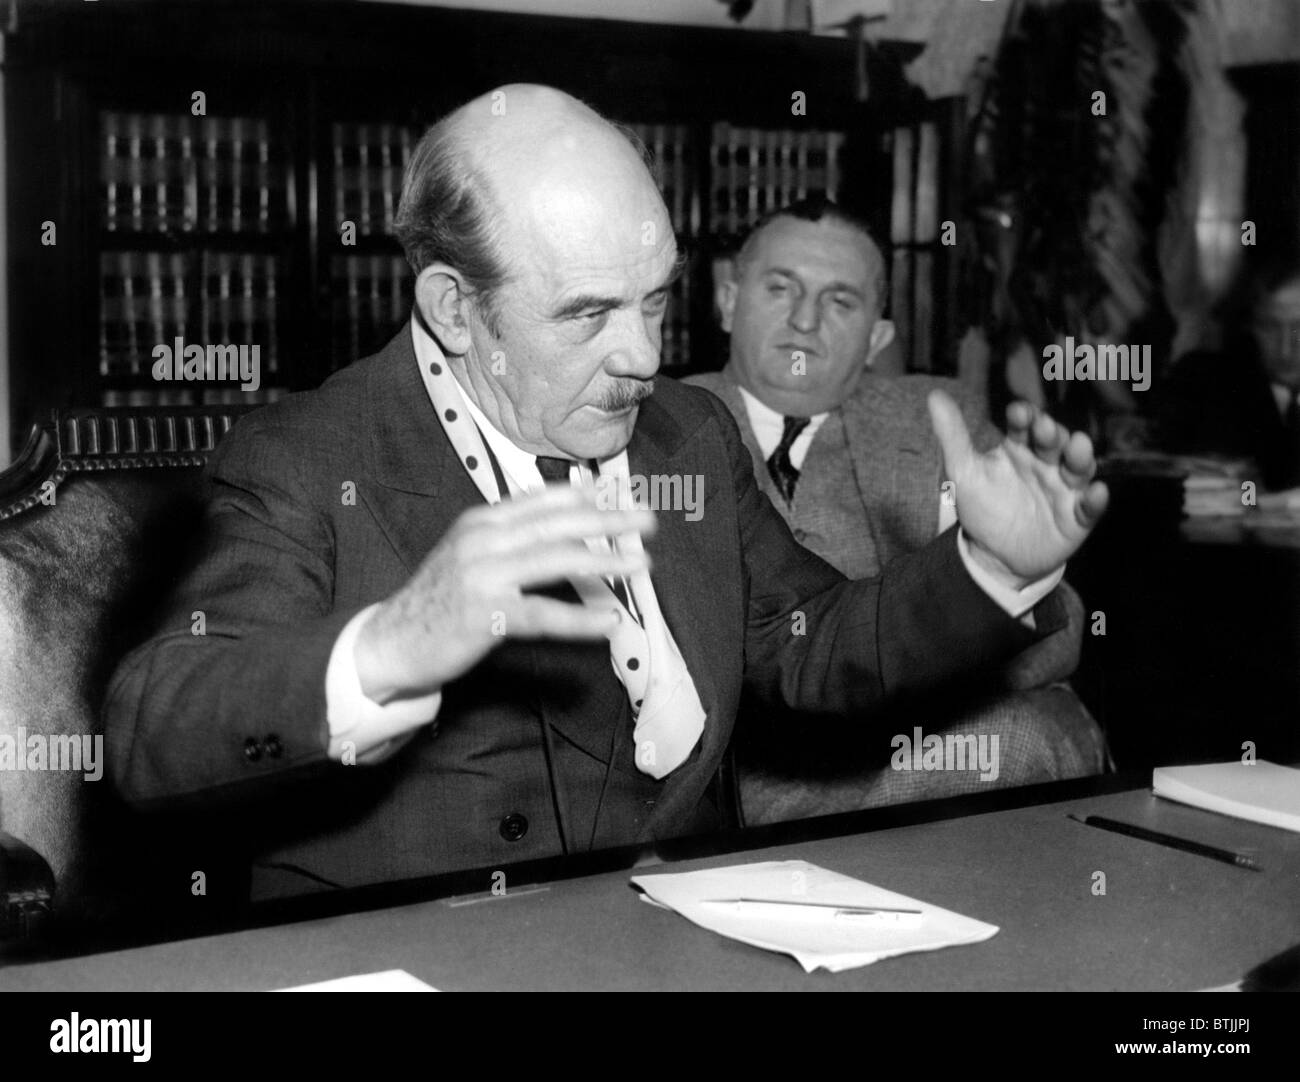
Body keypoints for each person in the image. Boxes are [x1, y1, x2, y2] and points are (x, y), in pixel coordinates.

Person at [104, 86, 1108, 901]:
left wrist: (989, 566)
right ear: (456, 308)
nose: (643, 356)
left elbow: (807, 643)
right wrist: (388, 643)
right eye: (587, 313)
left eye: (656, 298)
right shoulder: (312, 452)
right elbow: (155, 730)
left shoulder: (689, 434)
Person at [686, 198, 1104, 824]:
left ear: (877, 336)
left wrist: (1001, 572)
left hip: (919, 760)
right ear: (727, 301)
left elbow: (1059, 635)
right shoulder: (659, 427)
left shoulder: (941, 424)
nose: (805, 320)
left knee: (1022, 736)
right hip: (724, 781)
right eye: (781, 288)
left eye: (840, 301)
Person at [1158, 269, 1300, 491]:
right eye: (1270, 327)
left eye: (1298, 328)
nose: (1285, 349)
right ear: (1251, 325)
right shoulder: (1204, 385)